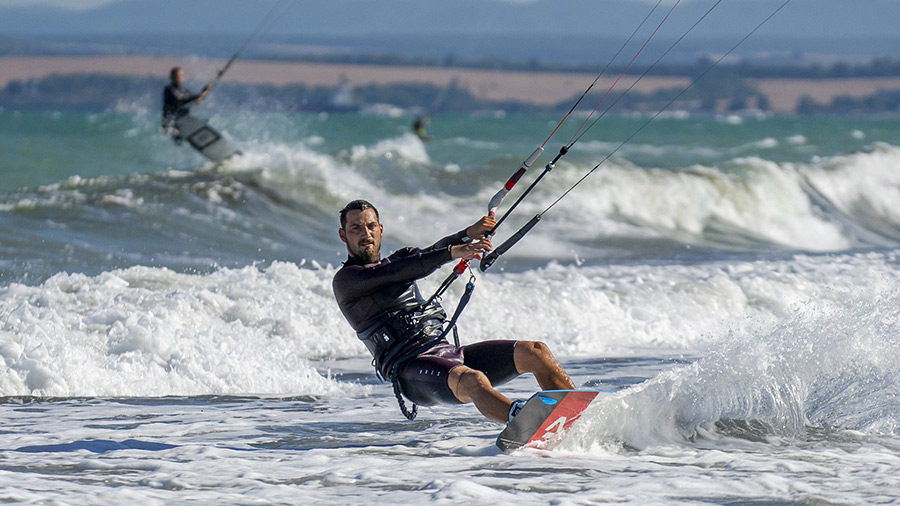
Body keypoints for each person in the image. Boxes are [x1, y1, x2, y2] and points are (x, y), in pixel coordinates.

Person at [332, 199, 575, 424]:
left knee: (534, 351)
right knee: (473, 380)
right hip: (409, 369)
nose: (366, 234)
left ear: (381, 229)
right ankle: (525, 423)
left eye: (371, 226)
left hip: (447, 353)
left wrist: (467, 234)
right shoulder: (347, 280)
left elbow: (428, 252)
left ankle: (577, 412)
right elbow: (402, 272)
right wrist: (452, 253)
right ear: (343, 235)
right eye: (356, 228)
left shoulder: (401, 258)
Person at [161, 67, 212, 139]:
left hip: (181, 121)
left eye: (182, 76)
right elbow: (180, 100)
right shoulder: (168, 90)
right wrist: (198, 95)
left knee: (207, 122)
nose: (181, 78)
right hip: (170, 124)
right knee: (177, 137)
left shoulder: (183, 91)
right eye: (178, 76)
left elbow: (192, 99)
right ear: (173, 78)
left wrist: (204, 90)